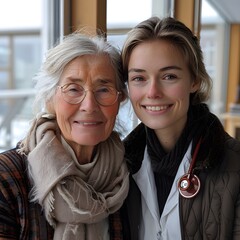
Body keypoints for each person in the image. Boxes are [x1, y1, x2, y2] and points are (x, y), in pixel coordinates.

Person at [0, 31, 129, 239]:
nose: (89, 106)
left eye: (103, 89)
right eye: (73, 89)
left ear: (120, 99)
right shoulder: (6, 177)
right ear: (49, 99)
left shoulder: (131, 174)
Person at [120, 16, 240, 239]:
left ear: (194, 80)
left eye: (169, 76)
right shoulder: (118, 166)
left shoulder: (235, 165)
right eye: (139, 78)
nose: (153, 92)